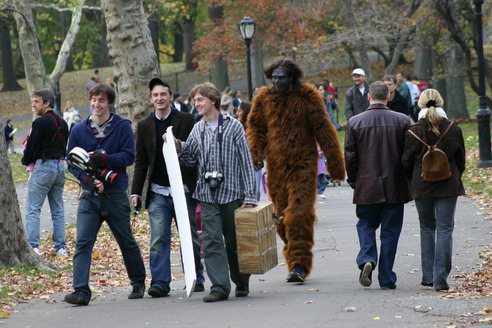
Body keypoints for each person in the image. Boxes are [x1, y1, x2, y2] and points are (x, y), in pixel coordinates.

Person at [248, 59, 345, 283]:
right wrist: (256, 155)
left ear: (291, 77)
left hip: (303, 165)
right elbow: (256, 128)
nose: (277, 81)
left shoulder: (308, 97)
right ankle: (293, 252)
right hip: (276, 168)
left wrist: (335, 163)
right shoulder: (263, 99)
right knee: (281, 218)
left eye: (281, 77)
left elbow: (324, 128)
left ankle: (299, 264)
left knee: (298, 215)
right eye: (273, 77)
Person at [170, 82, 257, 302]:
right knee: (211, 241)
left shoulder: (234, 126)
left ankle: (241, 280)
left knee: (234, 242)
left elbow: (246, 163)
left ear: (212, 100)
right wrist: (177, 146)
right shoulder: (198, 128)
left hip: (232, 194)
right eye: (195, 100)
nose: (196, 104)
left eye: (199, 100)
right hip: (207, 195)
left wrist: (251, 197)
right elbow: (189, 157)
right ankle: (219, 286)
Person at [65, 83, 146, 305]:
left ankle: (138, 282)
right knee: (82, 242)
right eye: (93, 99)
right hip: (89, 196)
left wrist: (105, 158)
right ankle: (81, 291)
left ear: (109, 102)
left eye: (101, 100)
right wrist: (87, 179)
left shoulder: (122, 127)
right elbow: (70, 161)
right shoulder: (79, 130)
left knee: (126, 241)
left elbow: (129, 156)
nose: (96, 104)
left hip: (115, 194)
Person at [131, 78, 205, 298]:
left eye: (163, 94)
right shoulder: (145, 126)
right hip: (158, 192)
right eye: (155, 95)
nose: (159, 98)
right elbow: (141, 162)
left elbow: (194, 152)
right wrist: (136, 192)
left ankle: (196, 277)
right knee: (158, 238)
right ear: (151, 99)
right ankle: (160, 283)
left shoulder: (186, 119)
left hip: (184, 190)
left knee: (189, 236)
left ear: (170, 97)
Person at [344, 81, 411, 290]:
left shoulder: (355, 122)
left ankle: (367, 258)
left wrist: (354, 180)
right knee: (390, 231)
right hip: (395, 185)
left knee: (365, 223)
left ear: (369, 97)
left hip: (366, 184)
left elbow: (350, 156)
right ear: (388, 97)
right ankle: (386, 277)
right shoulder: (402, 121)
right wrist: (407, 180)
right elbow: (408, 156)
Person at [402, 89, 466, 291]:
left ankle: (428, 275)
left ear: (420, 105)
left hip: (422, 186)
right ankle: (440, 277)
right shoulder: (453, 129)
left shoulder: (413, 131)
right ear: (441, 103)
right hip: (448, 184)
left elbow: (406, 161)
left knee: (427, 227)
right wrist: (454, 175)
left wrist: (414, 177)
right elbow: (461, 160)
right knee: (445, 229)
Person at [22, 89, 69, 256]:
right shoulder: (63, 123)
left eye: (36, 101)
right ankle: (61, 247)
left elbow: (32, 147)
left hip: (44, 167)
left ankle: (33, 246)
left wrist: (25, 160)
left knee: (33, 209)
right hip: (60, 167)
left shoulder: (40, 123)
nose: (33, 105)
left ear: (47, 103)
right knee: (58, 209)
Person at [237, 101, 262, 200]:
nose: (237, 113)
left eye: (240, 111)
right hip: (241, 167)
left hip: (254, 165)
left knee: (254, 193)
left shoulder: (254, 128)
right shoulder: (237, 127)